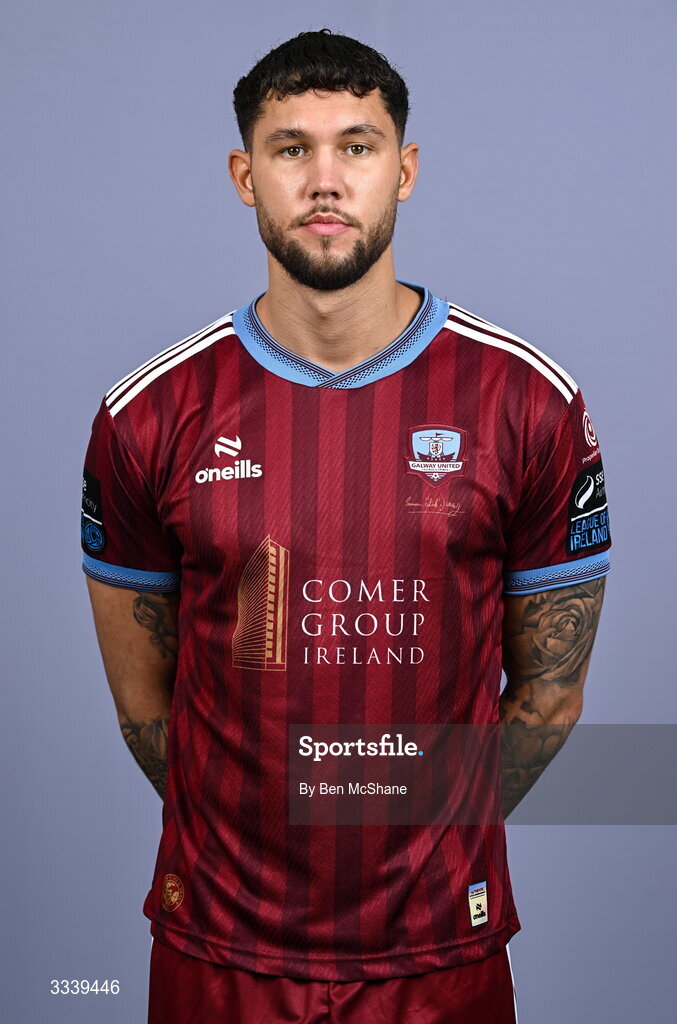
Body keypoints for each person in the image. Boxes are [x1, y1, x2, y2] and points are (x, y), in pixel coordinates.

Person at [81, 28, 611, 1024]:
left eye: (356, 147)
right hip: (220, 954)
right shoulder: (147, 414)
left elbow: (546, 697)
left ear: (402, 169)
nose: (325, 180)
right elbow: (146, 706)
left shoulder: (526, 401)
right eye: (291, 150)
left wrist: (419, 840)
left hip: (437, 959)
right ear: (246, 175)